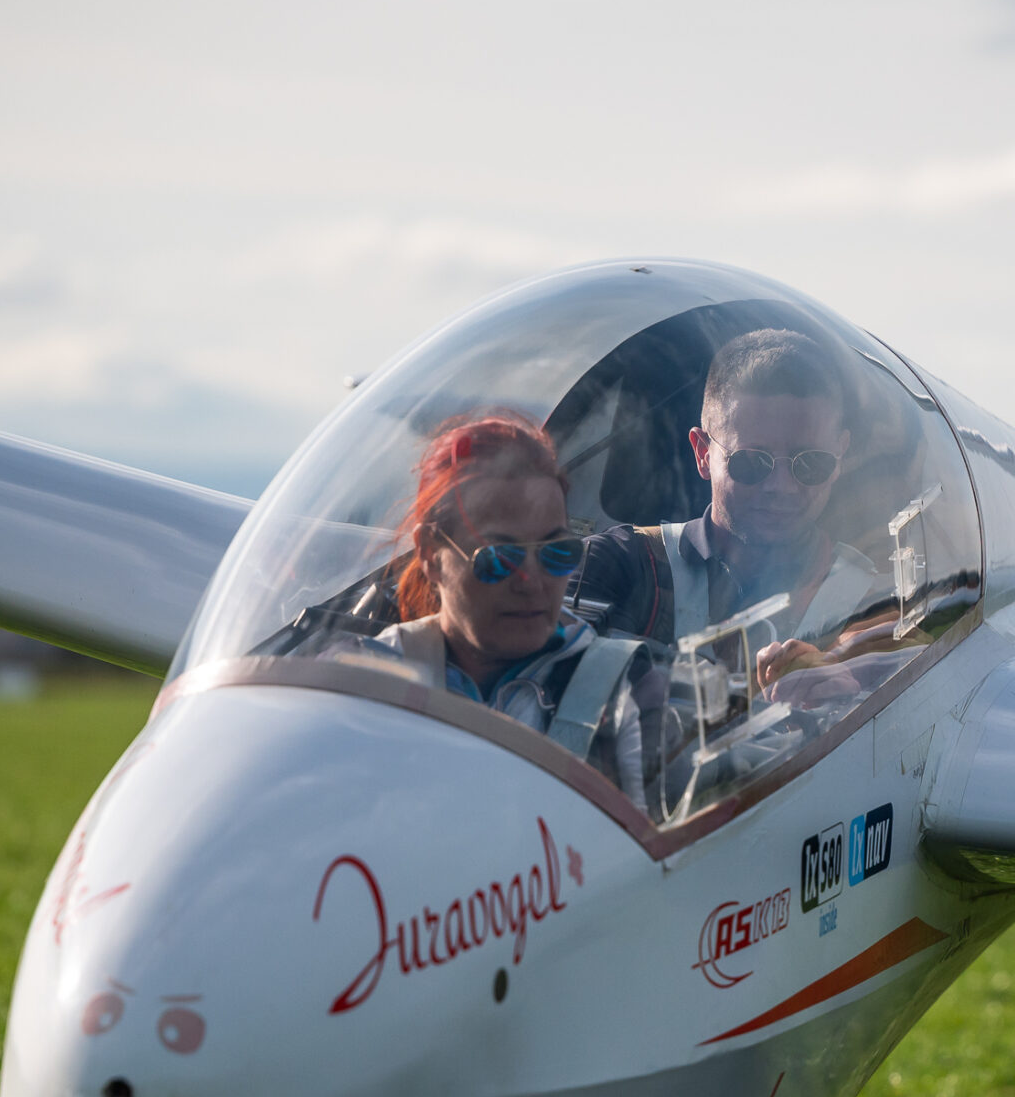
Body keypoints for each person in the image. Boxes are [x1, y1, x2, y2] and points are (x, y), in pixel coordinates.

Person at [572, 329, 884, 684]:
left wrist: (846, 677)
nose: (781, 487)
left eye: (810, 462)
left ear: (840, 454)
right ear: (703, 453)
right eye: (752, 461)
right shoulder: (617, 568)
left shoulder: (874, 602)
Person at [367, 415, 653, 797]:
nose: (531, 582)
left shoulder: (629, 693)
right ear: (430, 555)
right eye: (499, 558)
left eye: (557, 553)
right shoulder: (365, 684)